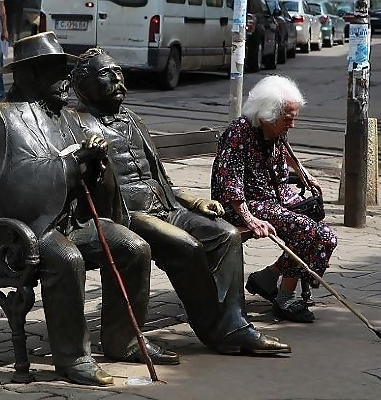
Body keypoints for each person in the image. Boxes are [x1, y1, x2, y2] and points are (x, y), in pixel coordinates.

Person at [0, 32, 178, 386]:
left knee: (133, 247)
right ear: (31, 75)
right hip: (21, 230)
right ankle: (72, 357)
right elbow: (13, 186)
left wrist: (95, 161)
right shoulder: (3, 119)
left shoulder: (65, 116)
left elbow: (85, 171)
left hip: (69, 221)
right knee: (66, 258)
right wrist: (72, 163)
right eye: (57, 72)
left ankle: (124, 340)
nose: (66, 80)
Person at [67, 48, 290, 356]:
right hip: (125, 215)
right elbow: (74, 179)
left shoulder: (133, 120)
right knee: (187, 247)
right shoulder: (76, 124)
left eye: (119, 72)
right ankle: (215, 329)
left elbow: (162, 179)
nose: (117, 80)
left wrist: (193, 201)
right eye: (106, 74)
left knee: (225, 234)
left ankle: (234, 324)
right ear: (82, 85)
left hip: (166, 206)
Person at [211, 75, 338, 323]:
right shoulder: (238, 133)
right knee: (305, 230)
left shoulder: (273, 129)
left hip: (274, 197)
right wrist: (250, 219)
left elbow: (286, 153)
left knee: (325, 237)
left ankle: (269, 276)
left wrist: (304, 174)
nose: (292, 125)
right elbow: (230, 182)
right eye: (288, 119)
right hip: (245, 203)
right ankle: (285, 299)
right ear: (266, 115)